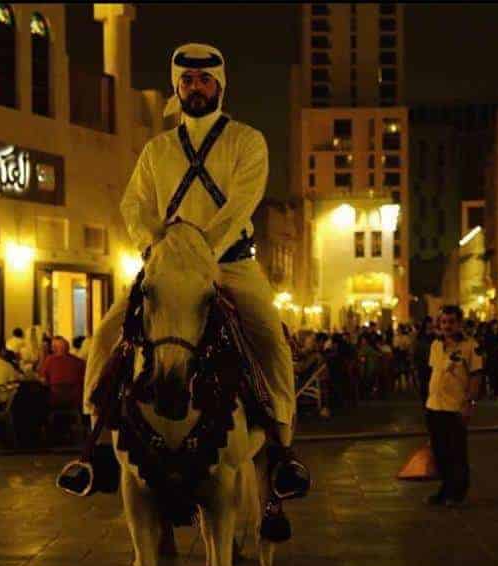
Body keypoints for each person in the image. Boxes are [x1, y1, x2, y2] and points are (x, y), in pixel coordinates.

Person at [58, 43, 310, 501]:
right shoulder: (157, 150)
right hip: (167, 265)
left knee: (271, 339)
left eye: (205, 80)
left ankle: (282, 448)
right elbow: (134, 203)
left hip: (230, 263)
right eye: (188, 81)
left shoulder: (247, 141)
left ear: (220, 85)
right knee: (104, 336)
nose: (196, 88)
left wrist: (201, 250)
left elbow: (240, 206)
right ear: (178, 86)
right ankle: (93, 446)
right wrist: (153, 244)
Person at [424, 305, 482, 508]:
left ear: (459, 323)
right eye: (443, 322)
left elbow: (475, 376)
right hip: (434, 405)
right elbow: (435, 372)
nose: (447, 326)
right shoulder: (435, 345)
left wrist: (470, 403)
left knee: (456, 452)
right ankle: (445, 489)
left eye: (451, 322)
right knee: (440, 452)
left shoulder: (471, 346)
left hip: (455, 407)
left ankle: (457, 493)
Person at [40, 336, 86, 409]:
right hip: (76, 401)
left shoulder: (49, 360)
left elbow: (44, 380)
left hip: (55, 400)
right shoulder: (80, 362)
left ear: (54, 349)